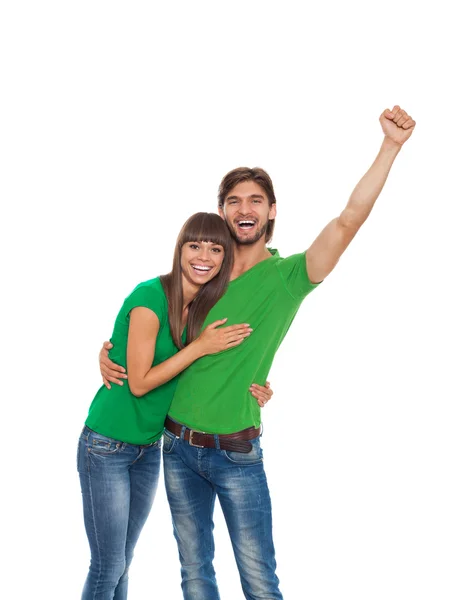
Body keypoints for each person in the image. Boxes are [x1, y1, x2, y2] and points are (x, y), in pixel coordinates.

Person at [100, 106, 416, 599]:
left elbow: (347, 221)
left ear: (271, 211)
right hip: (176, 446)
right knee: (194, 574)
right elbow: (148, 329)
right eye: (232, 200)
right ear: (222, 211)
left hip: (237, 452)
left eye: (255, 200)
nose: (243, 208)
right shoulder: (201, 274)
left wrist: (390, 147)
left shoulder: (289, 277)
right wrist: (106, 354)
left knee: (260, 581)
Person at [78, 212, 274, 600]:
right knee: (107, 564)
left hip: (150, 446)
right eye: (195, 245)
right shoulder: (151, 297)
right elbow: (139, 383)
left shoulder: (205, 306)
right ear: (179, 249)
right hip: (107, 445)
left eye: (216, 248)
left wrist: (257, 386)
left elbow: (209, 370)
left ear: (226, 258)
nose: (204, 256)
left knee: (123, 558)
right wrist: (199, 347)